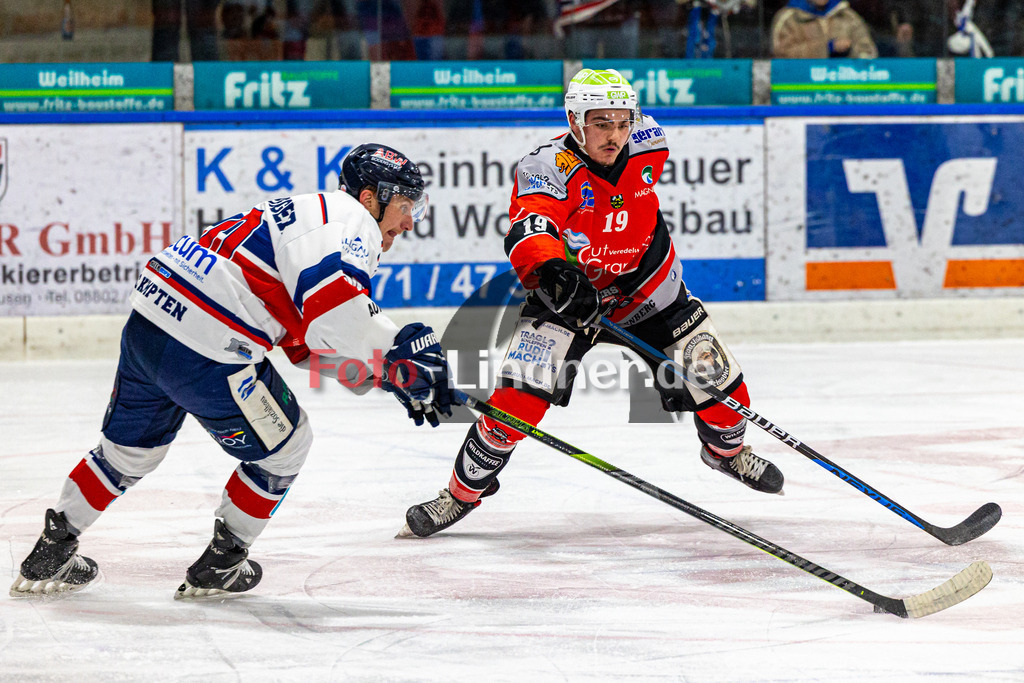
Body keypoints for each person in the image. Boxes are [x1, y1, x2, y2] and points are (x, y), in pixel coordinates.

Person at [10, 144, 455, 598]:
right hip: (208, 342)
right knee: (287, 446)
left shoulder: (304, 216)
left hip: (150, 323)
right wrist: (402, 350)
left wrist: (388, 374)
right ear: (369, 198)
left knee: (128, 452)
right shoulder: (348, 219)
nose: (408, 222)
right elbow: (336, 311)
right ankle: (223, 562)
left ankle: (52, 548)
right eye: (403, 206)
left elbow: (307, 345)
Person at [401, 69, 784, 539]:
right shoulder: (548, 165)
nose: (615, 135)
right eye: (601, 123)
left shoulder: (649, 142)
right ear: (575, 120)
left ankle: (725, 454)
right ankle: (459, 496)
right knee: (514, 405)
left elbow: (634, 202)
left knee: (719, 382)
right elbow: (529, 226)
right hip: (570, 298)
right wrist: (553, 270)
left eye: (623, 122)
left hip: (649, 288)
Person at [771, 0, 878, 58]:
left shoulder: (847, 16)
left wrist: (849, 50)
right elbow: (780, 55)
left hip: (843, 88)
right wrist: (827, 48)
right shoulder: (788, 18)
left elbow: (869, 53)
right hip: (801, 91)